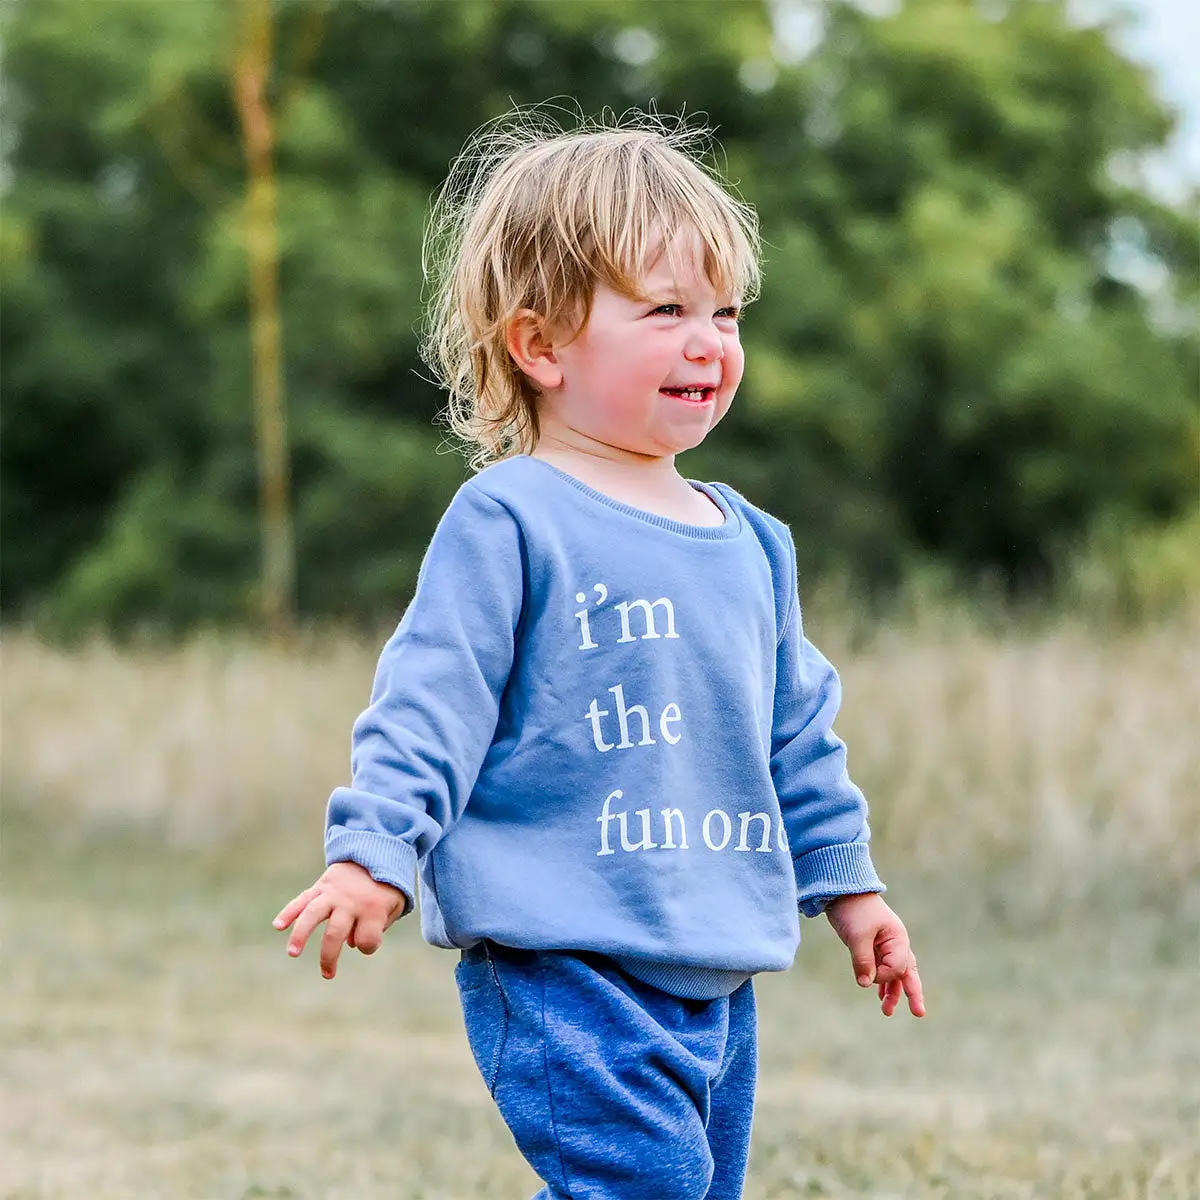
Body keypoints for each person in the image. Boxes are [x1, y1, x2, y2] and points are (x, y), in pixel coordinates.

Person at [274, 109, 925, 1200]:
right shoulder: (513, 518)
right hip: (564, 953)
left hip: (712, 960)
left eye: (724, 311)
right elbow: (431, 703)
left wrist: (851, 890)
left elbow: (797, 736)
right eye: (665, 309)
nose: (708, 340)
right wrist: (374, 851)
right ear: (541, 346)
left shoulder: (753, 542)